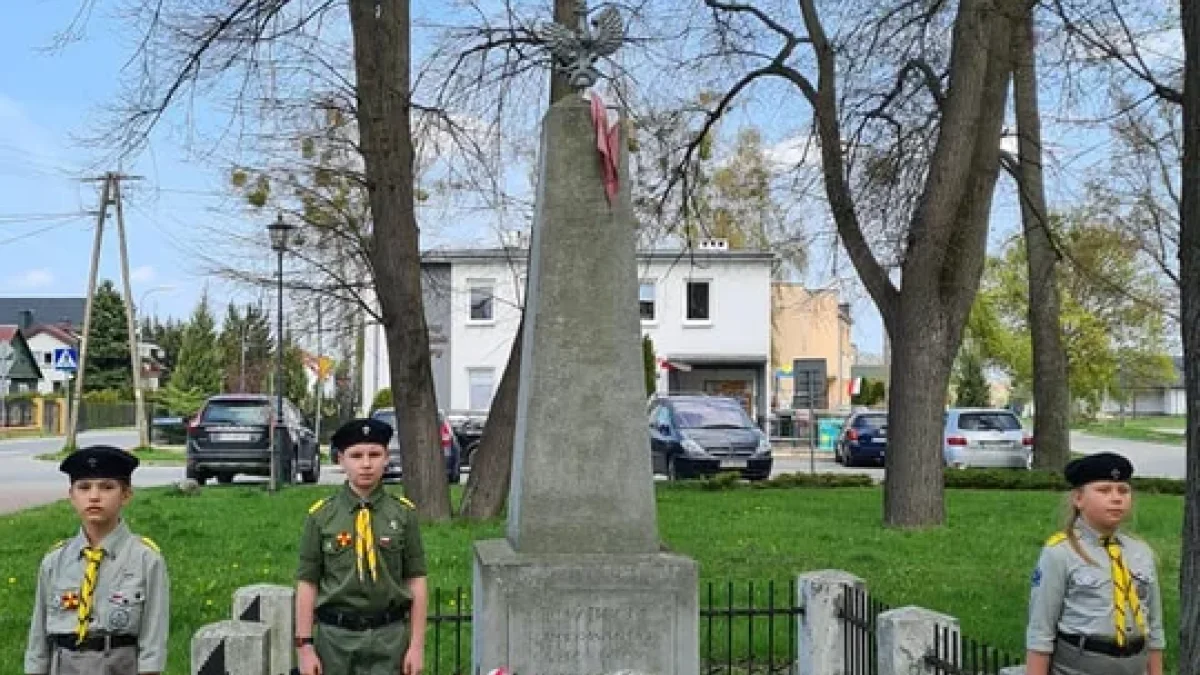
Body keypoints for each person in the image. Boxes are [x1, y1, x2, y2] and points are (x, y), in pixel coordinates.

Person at [295, 418, 428, 675]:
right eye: (356, 455)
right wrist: (305, 647)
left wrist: (417, 646)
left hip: (389, 640)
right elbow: (307, 582)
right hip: (335, 642)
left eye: (374, 454)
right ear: (341, 460)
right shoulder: (322, 517)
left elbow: (416, 580)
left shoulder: (403, 514)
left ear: (386, 457)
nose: (366, 464)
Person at [24, 445, 170, 675]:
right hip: (64, 665)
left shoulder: (145, 559)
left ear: (126, 495)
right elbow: (38, 640)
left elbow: (153, 641)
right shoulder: (54, 561)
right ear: (71, 496)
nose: (94, 496)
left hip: (119, 665)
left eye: (106, 487)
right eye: (84, 487)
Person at [1025, 451, 1165, 675]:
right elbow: (1040, 633)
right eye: (1103, 490)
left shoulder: (1141, 552)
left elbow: (1155, 631)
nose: (1116, 498)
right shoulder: (1061, 553)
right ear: (1078, 499)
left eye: (1123, 490)